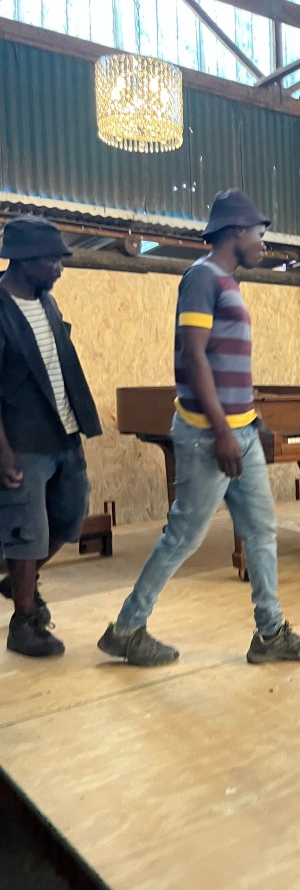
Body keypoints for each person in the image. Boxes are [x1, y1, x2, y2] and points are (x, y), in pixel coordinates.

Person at [98, 189, 300, 667]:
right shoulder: (201, 278)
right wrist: (222, 430)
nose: (263, 243)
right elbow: (193, 356)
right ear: (235, 232)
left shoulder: (227, 281)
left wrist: (247, 422)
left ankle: (270, 633)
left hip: (240, 431)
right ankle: (126, 628)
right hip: (209, 433)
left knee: (261, 530)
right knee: (184, 535)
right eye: (258, 234)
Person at [0, 216, 101, 658]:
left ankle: (18, 578)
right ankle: (24, 622)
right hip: (22, 441)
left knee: (70, 517)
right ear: (23, 260)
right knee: (27, 531)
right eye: (52, 260)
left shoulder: (48, 303)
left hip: (64, 434)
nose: (60, 268)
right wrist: (3, 454)